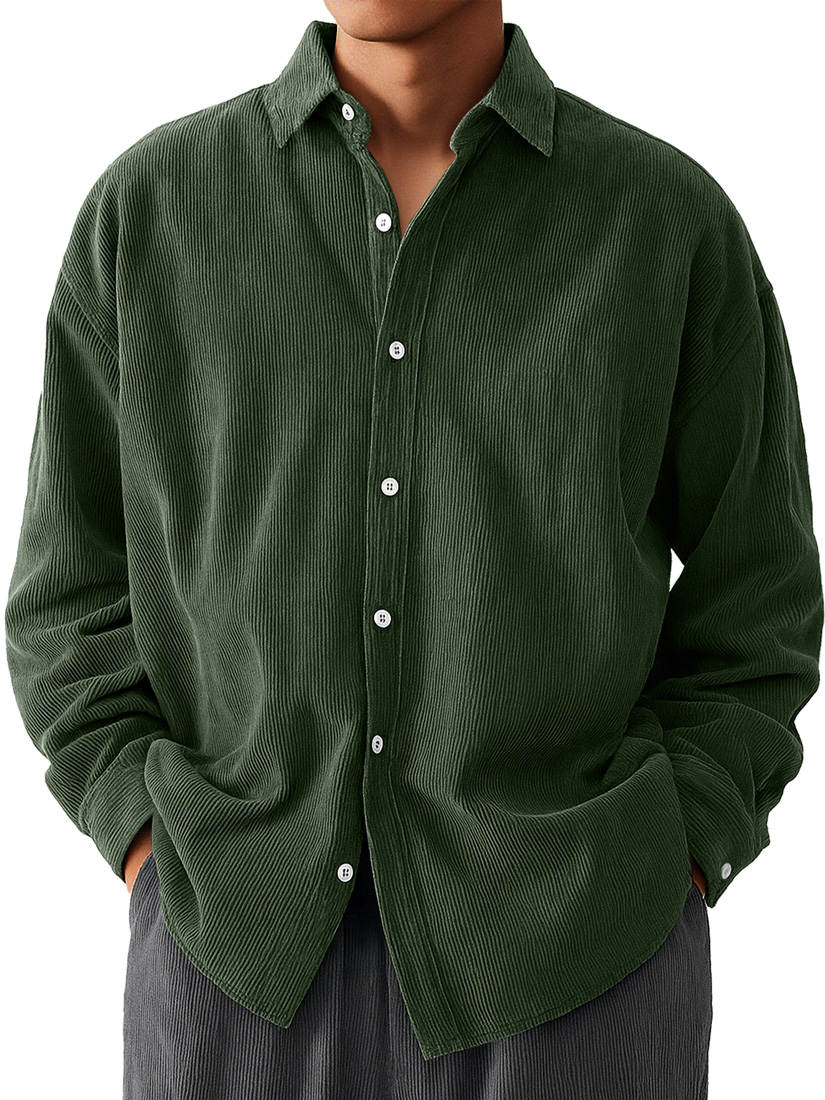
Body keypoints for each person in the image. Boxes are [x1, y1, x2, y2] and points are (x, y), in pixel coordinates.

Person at [5, 2, 822, 1098]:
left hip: (583, 964)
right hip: (230, 961)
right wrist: (146, 838)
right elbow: (66, 600)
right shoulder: (149, 212)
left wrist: (680, 840)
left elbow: (761, 596)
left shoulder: (666, 224)